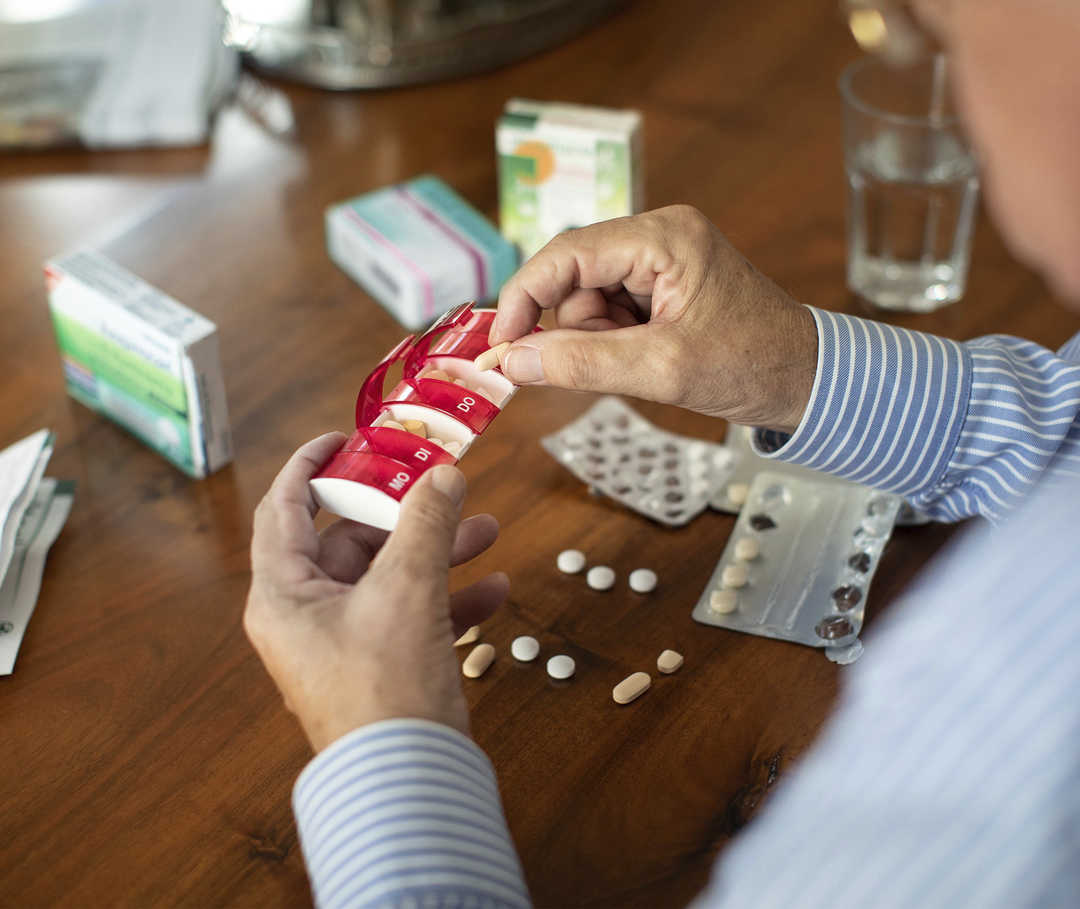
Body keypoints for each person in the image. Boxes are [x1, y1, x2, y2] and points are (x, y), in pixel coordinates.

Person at [244, 1, 1080, 906]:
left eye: (933, 17)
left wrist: (381, 750)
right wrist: (794, 366)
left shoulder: (1024, 727)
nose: (936, 65)